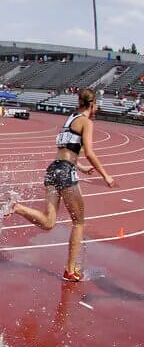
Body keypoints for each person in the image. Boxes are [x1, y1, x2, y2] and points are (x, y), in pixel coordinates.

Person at [7, 88, 116, 281]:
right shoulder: (86, 122)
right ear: (91, 105)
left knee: (49, 222)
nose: (97, 108)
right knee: (79, 222)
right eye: (96, 105)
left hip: (53, 170)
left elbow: (66, 151)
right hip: (65, 173)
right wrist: (105, 175)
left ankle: (18, 207)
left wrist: (80, 167)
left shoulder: (70, 119)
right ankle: (70, 270)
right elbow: (89, 152)